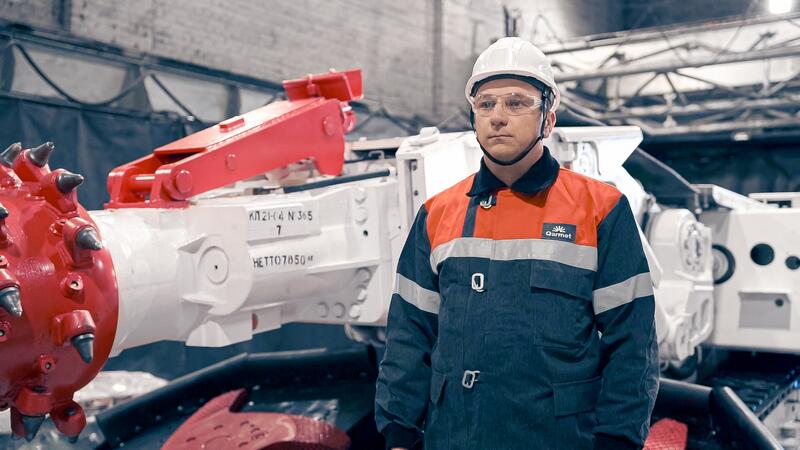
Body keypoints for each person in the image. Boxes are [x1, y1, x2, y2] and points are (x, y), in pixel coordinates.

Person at [374, 37, 659, 450]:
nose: (498, 117)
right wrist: (399, 431)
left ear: (548, 119)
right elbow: (409, 334)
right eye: (486, 104)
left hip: (559, 438)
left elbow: (632, 342)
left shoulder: (600, 208)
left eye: (516, 103)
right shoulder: (437, 213)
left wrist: (619, 438)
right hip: (454, 434)